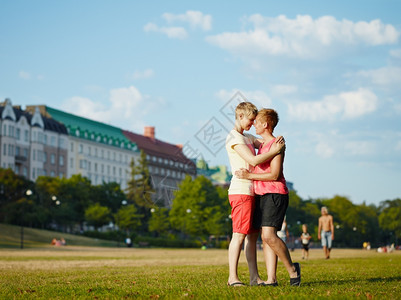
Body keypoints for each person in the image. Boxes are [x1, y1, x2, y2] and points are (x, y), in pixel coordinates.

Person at [236, 108, 301, 287]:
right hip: (260, 195)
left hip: (275, 193)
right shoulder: (263, 145)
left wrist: (248, 176)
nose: (254, 124)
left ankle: (293, 270)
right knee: (265, 238)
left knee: (269, 236)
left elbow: (274, 174)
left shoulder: (276, 145)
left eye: (257, 121)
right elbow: (245, 137)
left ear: (265, 124)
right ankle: (271, 279)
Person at [225, 102, 285, 286]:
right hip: (241, 191)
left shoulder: (247, 137)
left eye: (254, 120)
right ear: (240, 116)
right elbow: (253, 159)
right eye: (250, 120)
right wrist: (275, 150)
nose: (252, 124)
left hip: (252, 192)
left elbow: (266, 141)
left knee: (251, 236)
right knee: (239, 235)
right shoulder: (234, 138)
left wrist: (278, 142)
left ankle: (254, 278)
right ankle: (232, 278)